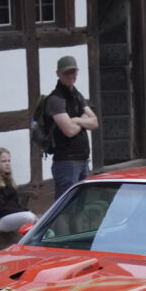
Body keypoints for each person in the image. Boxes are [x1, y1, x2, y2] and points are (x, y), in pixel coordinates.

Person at [46, 55, 99, 199]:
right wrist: (83, 120)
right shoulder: (55, 99)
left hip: (83, 161)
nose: (71, 75)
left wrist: (76, 120)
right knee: (66, 206)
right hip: (66, 163)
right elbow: (69, 131)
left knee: (81, 206)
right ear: (58, 74)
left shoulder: (77, 95)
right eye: (66, 72)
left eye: (73, 72)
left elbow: (95, 122)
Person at [0, 148, 39, 232]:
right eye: (3, 161)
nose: (7, 164)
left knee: (34, 221)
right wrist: (25, 212)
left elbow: (14, 203)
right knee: (29, 217)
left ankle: (41, 237)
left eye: (9, 161)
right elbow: (1, 207)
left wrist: (25, 211)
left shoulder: (6, 179)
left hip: (9, 216)